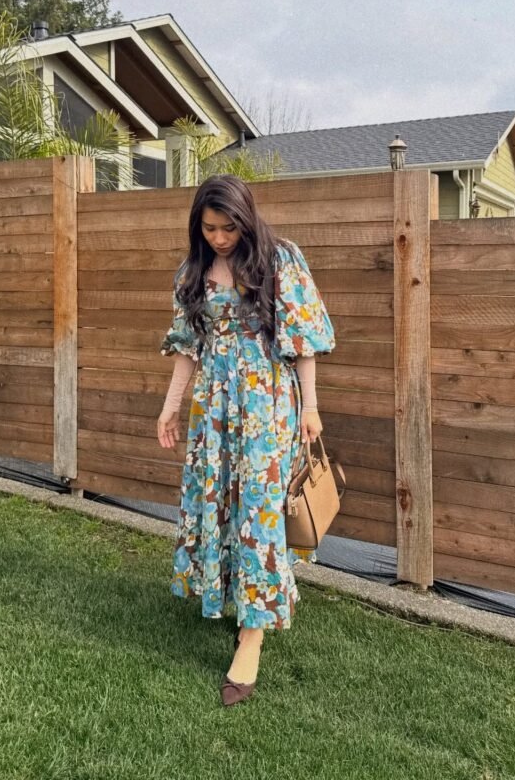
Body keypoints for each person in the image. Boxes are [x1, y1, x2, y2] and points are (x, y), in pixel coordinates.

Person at [156, 174, 335, 705]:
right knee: (218, 503)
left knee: (258, 511)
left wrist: (311, 407)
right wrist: (170, 406)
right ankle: (233, 595)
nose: (219, 238)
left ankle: (252, 635)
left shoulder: (279, 260)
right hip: (213, 407)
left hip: (266, 405)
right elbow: (188, 347)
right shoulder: (193, 271)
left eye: (228, 228)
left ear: (246, 219)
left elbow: (302, 340)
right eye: (209, 228)